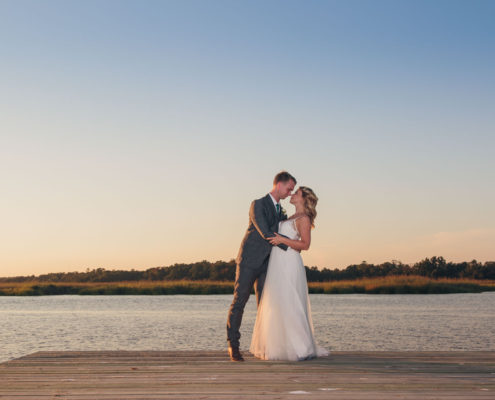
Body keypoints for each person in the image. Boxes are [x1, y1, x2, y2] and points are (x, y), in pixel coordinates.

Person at [250, 186, 329, 361]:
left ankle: (302, 347)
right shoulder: (290, 217)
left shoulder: (304, 218)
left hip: (290, 262)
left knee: (291, 301)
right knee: (279, 302)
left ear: (303, 199)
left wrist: (281, 239)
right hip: (277, 262)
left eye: (296, 193)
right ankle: (282, 346)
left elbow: (305, 245)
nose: (292, 195)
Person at [226, 171, 296, 361]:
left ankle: (264, 346)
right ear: (279, 185)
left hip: (268, 264)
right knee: (239, 302)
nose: (290, 193)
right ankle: (233, 346)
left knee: (265, 306)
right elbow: (265, 232)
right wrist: (293, 247)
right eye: (289, 189)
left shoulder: (280, 209)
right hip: (249, 261)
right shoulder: (257, 204)